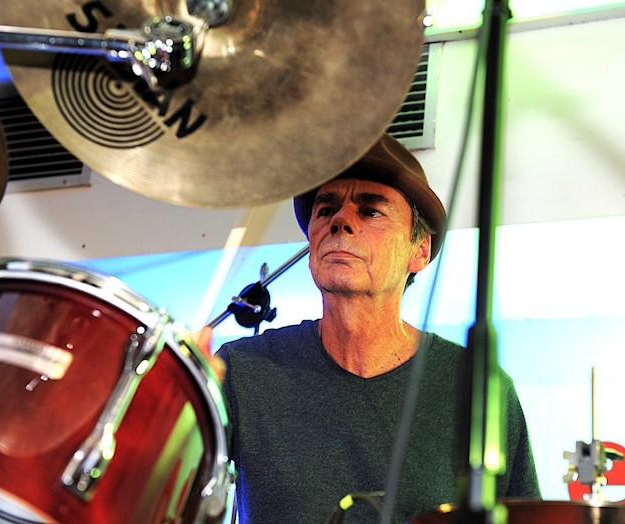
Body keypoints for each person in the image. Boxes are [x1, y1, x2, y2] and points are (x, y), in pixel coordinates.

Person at [202, 133, 541, 522]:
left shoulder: (480, 388)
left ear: (420, 250)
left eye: (371, 211)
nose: (340, 220)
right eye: (325, 210)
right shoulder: (241, 371)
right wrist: (172, 406)